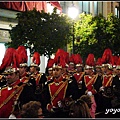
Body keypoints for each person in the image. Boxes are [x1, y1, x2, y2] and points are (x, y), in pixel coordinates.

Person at [43, 50, 79, 118]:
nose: (55, 72)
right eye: (53, 70)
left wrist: (66, 103)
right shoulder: (48, 83)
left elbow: (74, 96)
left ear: (61, 71)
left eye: (57, 70)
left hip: (64, 111)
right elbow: (45, 97)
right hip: (51, 111)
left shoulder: (68, 82)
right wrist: (48, 105)